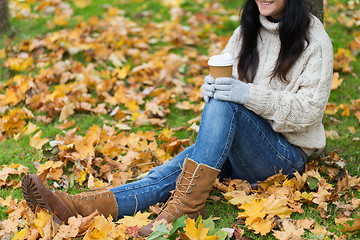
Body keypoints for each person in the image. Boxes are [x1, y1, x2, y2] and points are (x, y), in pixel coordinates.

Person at [21, 0, 333, 237]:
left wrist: (243, 94)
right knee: (164, 176)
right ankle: (76, 207)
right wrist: (211, 88)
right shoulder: (246, 31)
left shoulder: (314, 42)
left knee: (226, 107)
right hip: (242, 143)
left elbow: (307, 113)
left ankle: (183, 208)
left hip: (284, 157)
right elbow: (229, 87)